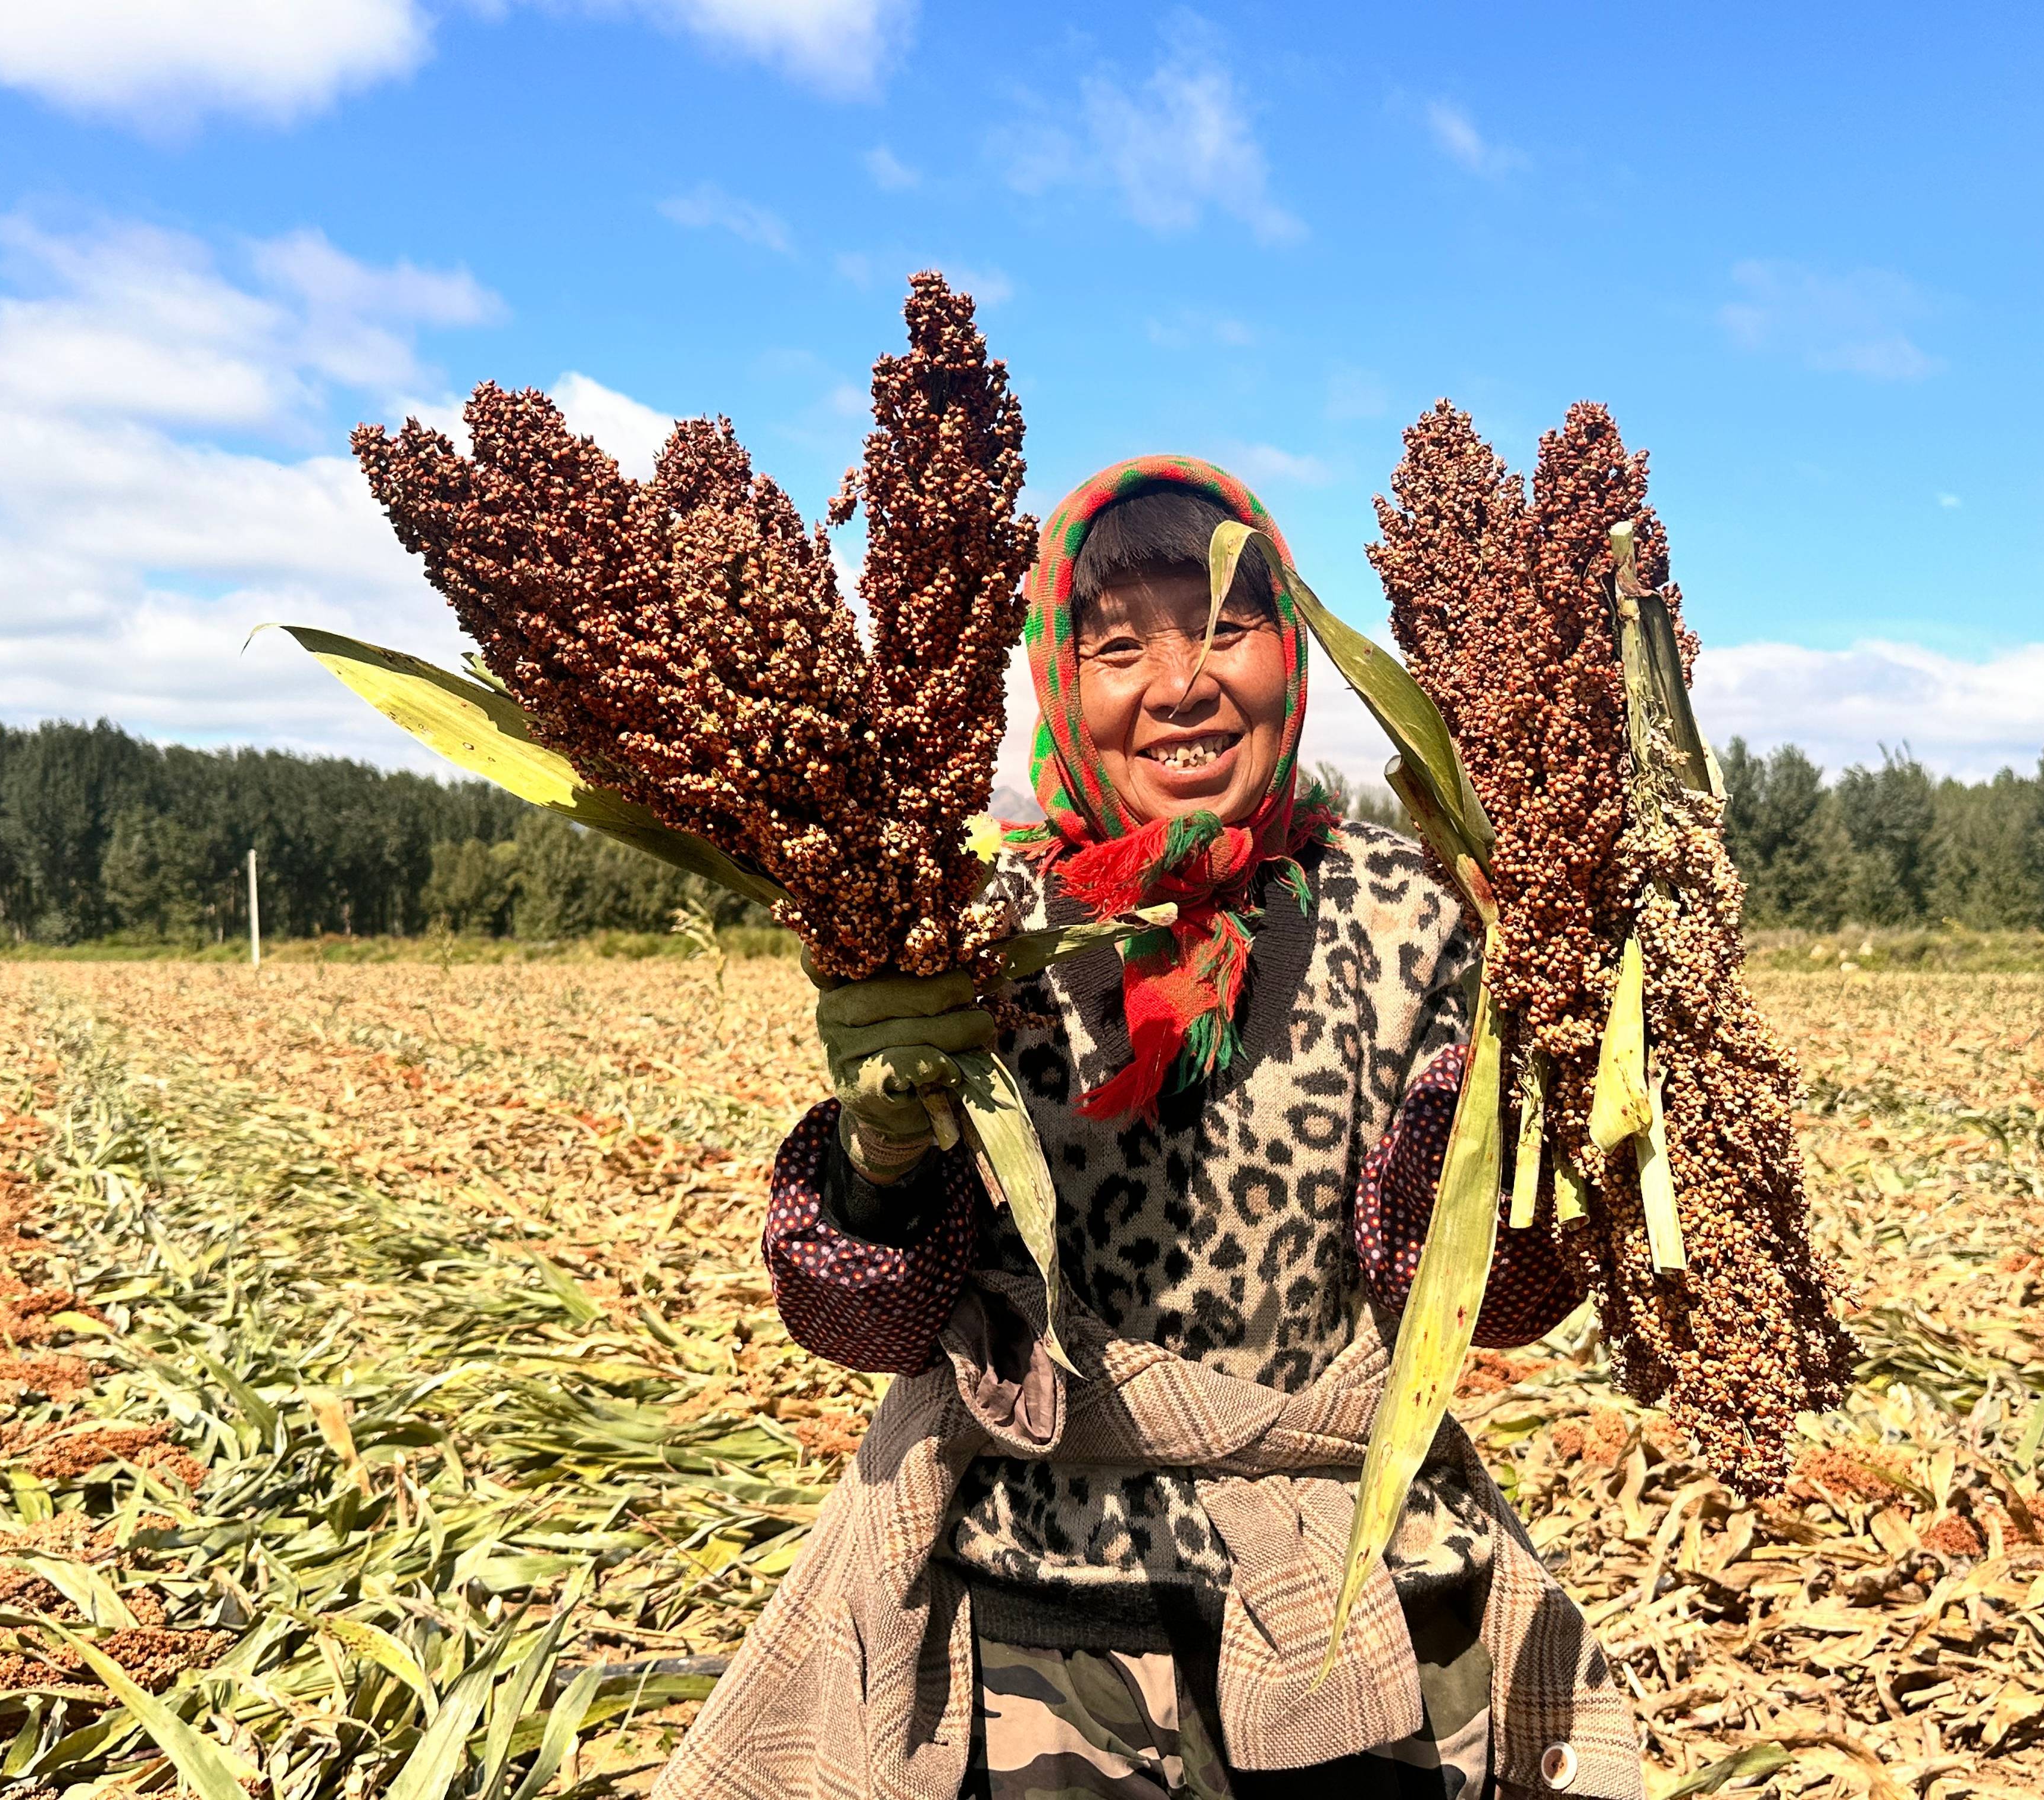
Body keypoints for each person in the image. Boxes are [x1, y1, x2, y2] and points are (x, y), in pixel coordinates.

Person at [656, 458, 1643, 1800]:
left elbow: (1483, 1302)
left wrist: (1547, 1109)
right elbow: (866, 1328)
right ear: (1061, 683)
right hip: (1050, 1619)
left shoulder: (1417, 913)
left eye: (1227, 629)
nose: (1182, 686)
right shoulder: (966, 934)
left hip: (1357, 1589)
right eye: (1120, 648)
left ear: (1289, 652)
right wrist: (874, 1160)